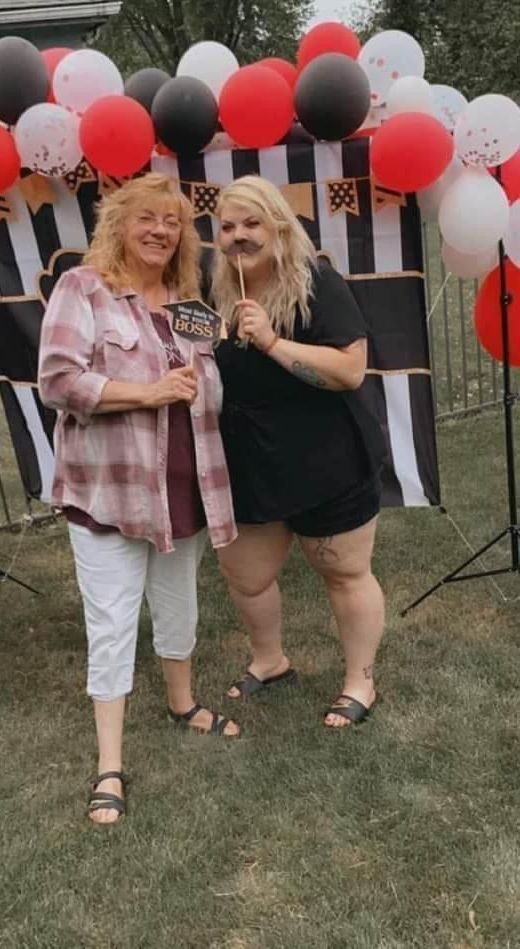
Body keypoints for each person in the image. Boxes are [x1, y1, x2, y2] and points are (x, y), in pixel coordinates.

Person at [38, 173, 239, 827]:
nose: (160, 230)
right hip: (111, 496)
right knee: (112, 622)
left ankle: (182, 703)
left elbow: (211, 384)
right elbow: (57, 380)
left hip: (184, 490)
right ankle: (109, 765)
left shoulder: (186, 304)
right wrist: (148, 393)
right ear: (119, 223)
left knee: (179, 604)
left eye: (172, 221)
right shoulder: (84, 288)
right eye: (147, 217)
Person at [210, 175, 386, 728]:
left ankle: (360, 681)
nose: (239, 236)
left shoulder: (317, 282)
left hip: (326, 458)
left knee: (345, 572)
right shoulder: (215, 289)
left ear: (280, 227)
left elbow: (351, 370)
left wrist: (271, 342)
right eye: (227, 227)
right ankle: (270, 660)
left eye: (252, 223)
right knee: (246, 577)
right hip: (249, 461)